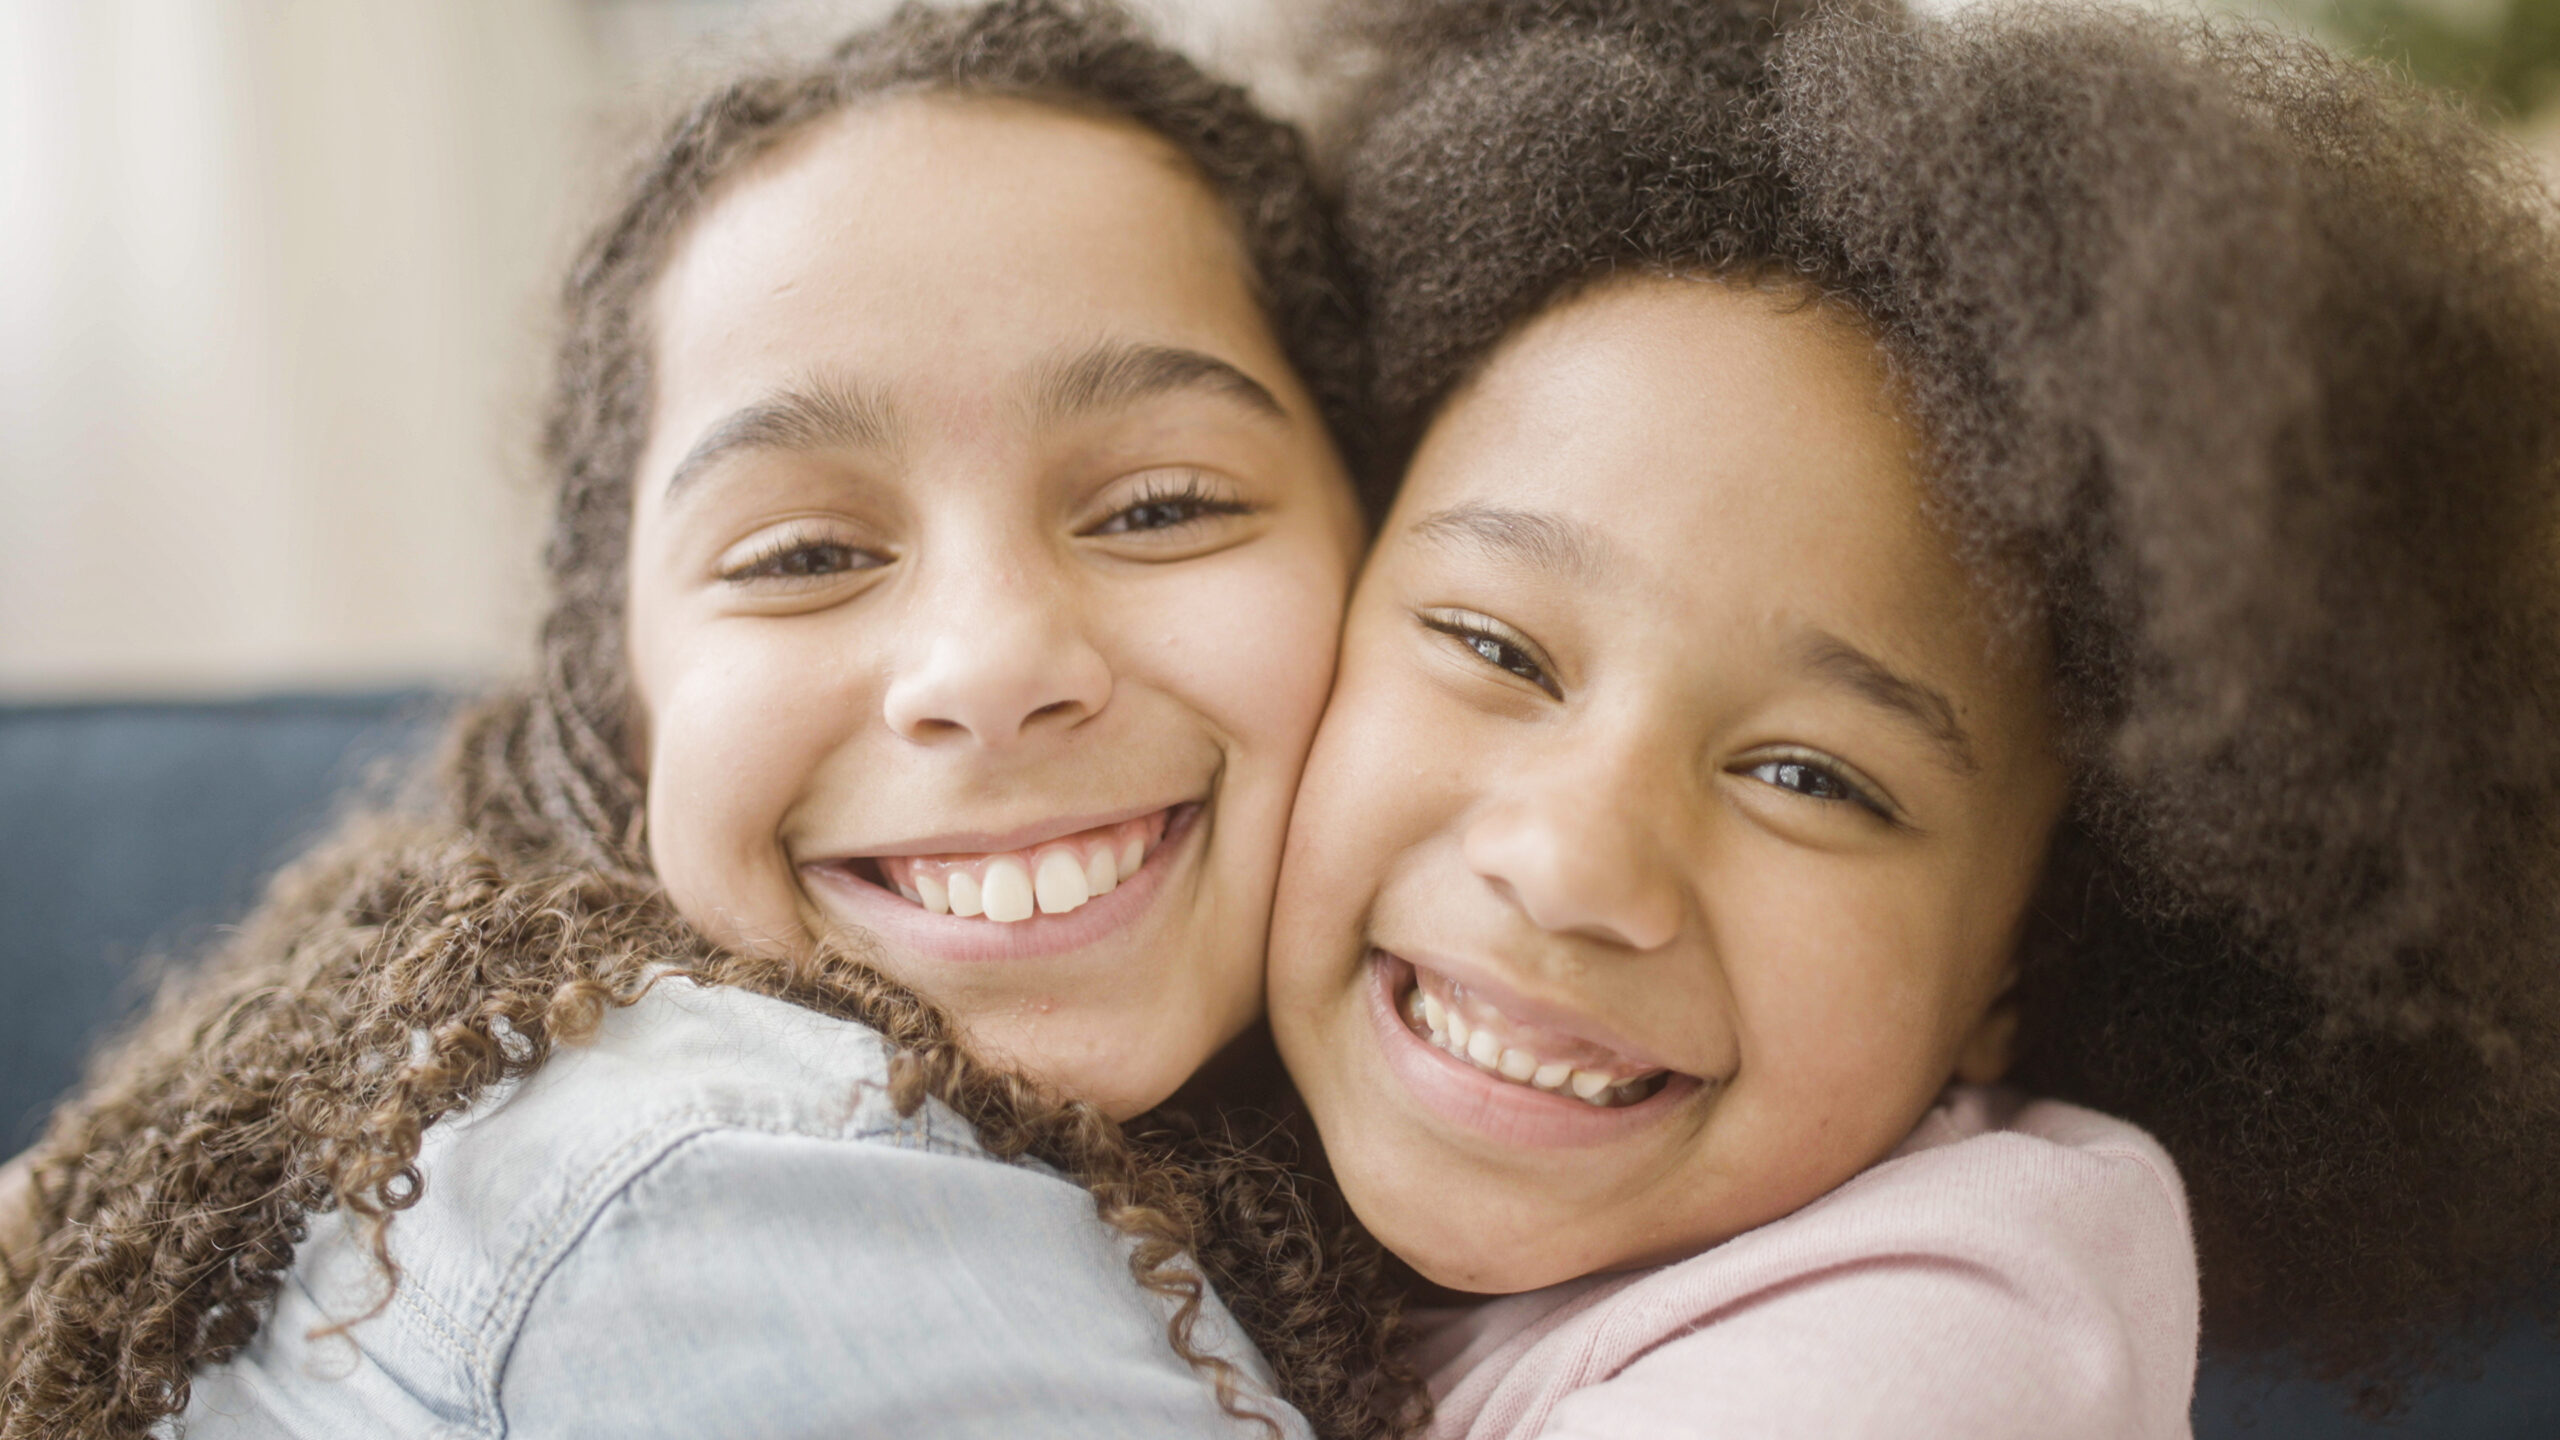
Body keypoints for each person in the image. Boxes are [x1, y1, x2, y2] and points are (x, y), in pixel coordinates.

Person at [0, 3, 1385, 1436]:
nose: (988, 664)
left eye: (1162, 508)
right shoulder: (742, 1176)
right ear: (615, 701)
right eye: (804, 557)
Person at [1266, 0, 2560, 1435]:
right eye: (1496, 646)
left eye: (1812, 777)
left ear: (2021, 962)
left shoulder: (1965, 1325)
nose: (1574, 864)